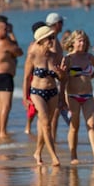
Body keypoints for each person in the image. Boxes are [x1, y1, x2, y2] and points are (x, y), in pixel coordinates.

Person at [22, 26, 65, 166]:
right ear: (40, 41)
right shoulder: (33, 55)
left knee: (45, 125)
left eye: (53, 37)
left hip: (52, 91)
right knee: (46, 124)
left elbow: (62, 78)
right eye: (49, 38)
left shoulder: (55, 55)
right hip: (37, 92)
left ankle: (38, 152)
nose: (52, 41)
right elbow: (26, 77)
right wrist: (25, 97)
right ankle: (54, 157)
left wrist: (61, 73)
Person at [63, 30, 94, 164]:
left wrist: (89, 77)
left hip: (87, 96)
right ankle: (73, 155)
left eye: (84, 41)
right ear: (73, 42)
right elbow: (63, 78)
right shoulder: (68, 58)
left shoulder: (89, 57)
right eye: (79, 40)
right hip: (72, 96)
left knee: (91, 124)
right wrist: (62, 98)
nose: (82, 43)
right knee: (74, 127)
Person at [0, 15, 23, 139]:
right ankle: (2, 131)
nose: (6, 30)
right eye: (4, 28)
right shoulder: (5, 43)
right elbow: (19, 51)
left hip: (0, 76)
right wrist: (12, 34)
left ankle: (0, 130)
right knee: (6, 106)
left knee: (0, 106)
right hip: (4, 77)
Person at [45, 12, 66, 141]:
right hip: (53, 78)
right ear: (57, 24)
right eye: (61, 23)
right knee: (54, 112)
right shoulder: (51, 38)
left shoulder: (53, 37)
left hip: (55, 77)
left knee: (54, 111)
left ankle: (52, 138)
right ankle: (51, 139)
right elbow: (49, 59)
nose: (62, 25)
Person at [24, 21, 47, 134]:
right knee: (32, 109)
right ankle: (28, 126)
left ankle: (39, 129)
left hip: (44, 80)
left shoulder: (47, 44)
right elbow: (28, 70)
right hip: (34, 78)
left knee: (42, 110)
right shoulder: (32, 46)